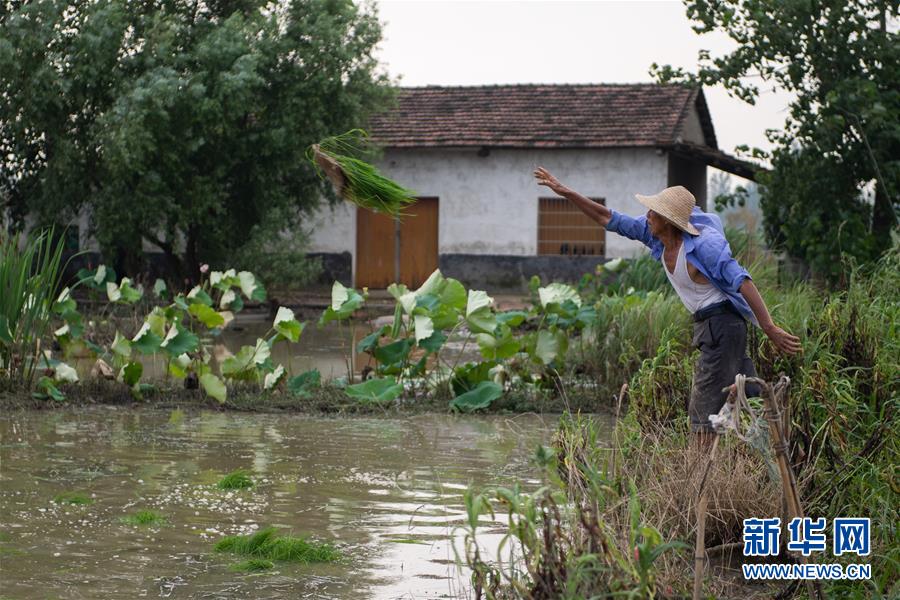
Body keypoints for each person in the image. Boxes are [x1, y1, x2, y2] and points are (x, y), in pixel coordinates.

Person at [533, 167, 801, 439]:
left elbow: (743, 282)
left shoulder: (704, 247)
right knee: (743, 402)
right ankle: (764, 437)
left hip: (723, 326)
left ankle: (701, 473)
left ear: (669, 221)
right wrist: (564, 192)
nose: (647, 216)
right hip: (710, 328)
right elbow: (608, 217)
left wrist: (769, 327)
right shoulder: (655, 234)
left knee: (701, 416)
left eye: (653, 212)